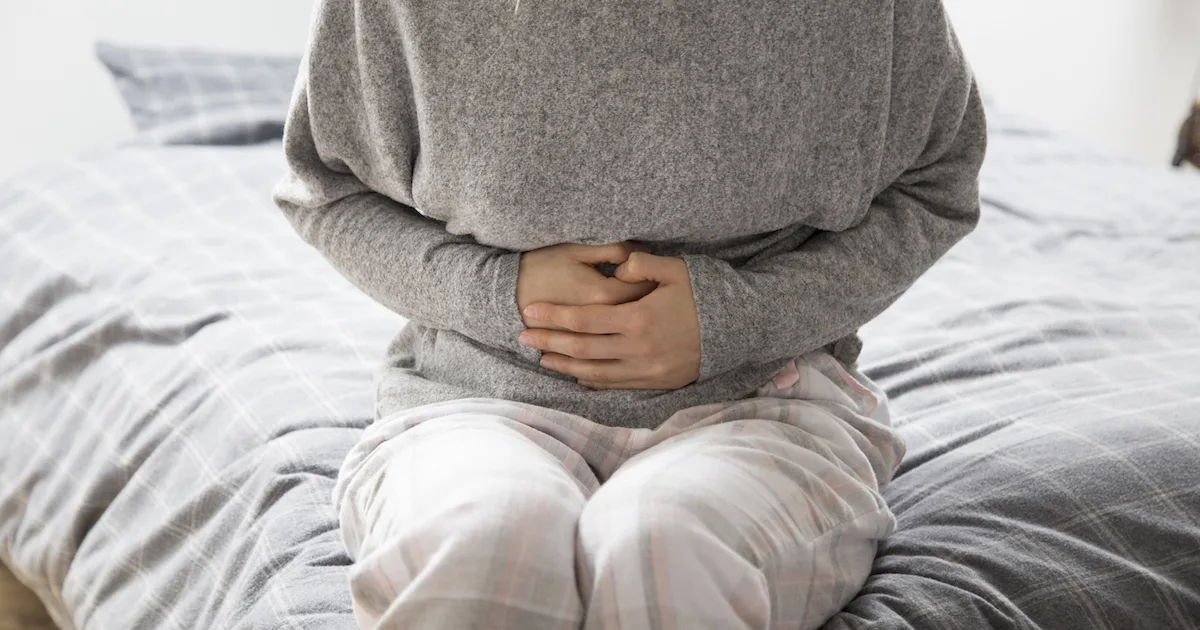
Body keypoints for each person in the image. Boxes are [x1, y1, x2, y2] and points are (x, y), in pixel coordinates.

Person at [273, 0, 987, 627]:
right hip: (471, 400)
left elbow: (936, 186)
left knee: (664, 547)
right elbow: (326, 189)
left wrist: (739, 319)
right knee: (484, 548)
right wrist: (500, 291)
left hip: (769, 403)